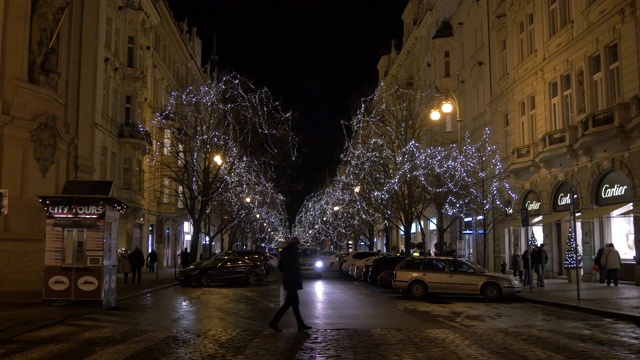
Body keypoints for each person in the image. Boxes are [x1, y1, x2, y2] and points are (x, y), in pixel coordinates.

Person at [269, 237, 312, 332]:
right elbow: (294, 268)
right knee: (292, 303)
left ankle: (298, 323)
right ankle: (275, 322)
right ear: (296, 244)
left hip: (289, 280)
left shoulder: (286, 253)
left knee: (292, 304)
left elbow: (281, 267)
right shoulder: (292, 253)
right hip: (292, 281)